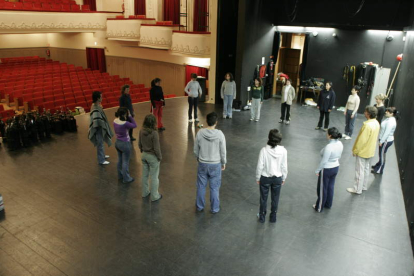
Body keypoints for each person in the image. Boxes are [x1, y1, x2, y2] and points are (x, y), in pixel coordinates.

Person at [194, 112, 227, 214]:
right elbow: (223, 150)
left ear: (206, 121)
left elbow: (195, 150)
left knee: (201, 186)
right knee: (214, 187)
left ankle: (199, 206)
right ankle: (214, 208)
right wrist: (223, 162)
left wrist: (198, 158)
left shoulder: (200, 133)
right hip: (215, 165)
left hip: (202, 164)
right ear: (216, 122)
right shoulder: (220, 134)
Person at [256, 129, 287, 223]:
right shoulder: (283, 151)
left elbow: (260, 166)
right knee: (275, 198)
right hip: (277, 178)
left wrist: (258, 177)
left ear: (269, 138)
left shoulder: (264, 150)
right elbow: (284, 166)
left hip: (265, 178)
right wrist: (284, 177)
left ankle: (262, 217)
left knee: (263, 198)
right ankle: (273, 217)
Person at [347, 106, 380, 194]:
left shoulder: (367, 125)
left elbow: (362, 140)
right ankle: (363, 186)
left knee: (359, 171)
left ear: (368, 114)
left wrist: (355, 150)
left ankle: (357, 189)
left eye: (365, 111)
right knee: (366, 169)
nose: (364, 113)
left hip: (363, 151)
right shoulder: (376, 123)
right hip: (370, 150)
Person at [313, 127, 343, 212]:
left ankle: (319, 207)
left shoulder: (329, 147)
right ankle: (328, 204)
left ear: (330, 135)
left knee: (322, 188)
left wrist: (318, 170)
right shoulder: (340, 143)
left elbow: (324, 160)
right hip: (336, 167)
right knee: (330, 186)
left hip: (326, 169)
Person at [139, 114, 163, 202]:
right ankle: (155, 196)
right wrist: (159, 157)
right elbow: (157, 148)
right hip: (152, 157)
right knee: (154, 177)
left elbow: (139, 143)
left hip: (144, 155)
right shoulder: (154, 133)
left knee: (144, 175)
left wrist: (142, 150)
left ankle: (145, 192)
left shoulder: (141, 131)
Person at [88, 91, 114, 165]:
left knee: (101, 143)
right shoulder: (95, 107)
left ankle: (102, 155)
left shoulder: (97, 105)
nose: (102, 98)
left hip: (100, 128)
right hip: (98, 128)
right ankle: (101, 160)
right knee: (100, 144)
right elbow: (96, 120)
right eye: (101, 97)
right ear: (97, 98)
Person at [372, 107, 399, 175]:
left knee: (382, 154)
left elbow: (387, 133)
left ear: (392, 114)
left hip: (386, 141)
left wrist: (381, 141)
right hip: (384, 140)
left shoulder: (391, 122)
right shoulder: (389, 119)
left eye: (388, 111)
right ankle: (378, 164)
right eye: (386, 111)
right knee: (381, 153)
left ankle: (379, 169)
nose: (386, 112)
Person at [113, 107, 137, 183]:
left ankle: (120, 175)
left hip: (117, 143)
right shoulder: (125, 123)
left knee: (120, 160)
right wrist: (130, 116)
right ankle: (126, 178)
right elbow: (134, 125)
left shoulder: (115, 121)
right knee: (125, 162)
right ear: (124, 114)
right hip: (125, 144)